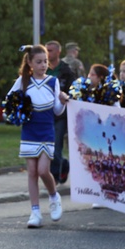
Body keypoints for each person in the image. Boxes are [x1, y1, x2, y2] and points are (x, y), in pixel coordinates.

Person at [6, 44, 68, 228]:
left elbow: (57, 111)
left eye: (45, 61)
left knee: (43, 170)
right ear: (31, 63)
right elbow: (9, 101)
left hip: (47, 130)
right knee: (32, 172)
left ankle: (53, 196)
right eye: (39, 62)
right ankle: (35, 212)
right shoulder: (23, 81)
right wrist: (16, 109)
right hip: (29, 131)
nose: (43, 65)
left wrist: (63, 102)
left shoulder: (52, 82)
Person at [46, 40, 76, 184]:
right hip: (45, 114)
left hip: (61, 115)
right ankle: (64, 164)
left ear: (58, 52)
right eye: (46, 50)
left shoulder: (66, 70)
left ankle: (55, 179)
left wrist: (65, 97)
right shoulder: (42, 69)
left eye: (50, 50)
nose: (48, 53)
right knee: (47, 148)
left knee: (56, 147)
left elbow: (73, 90)